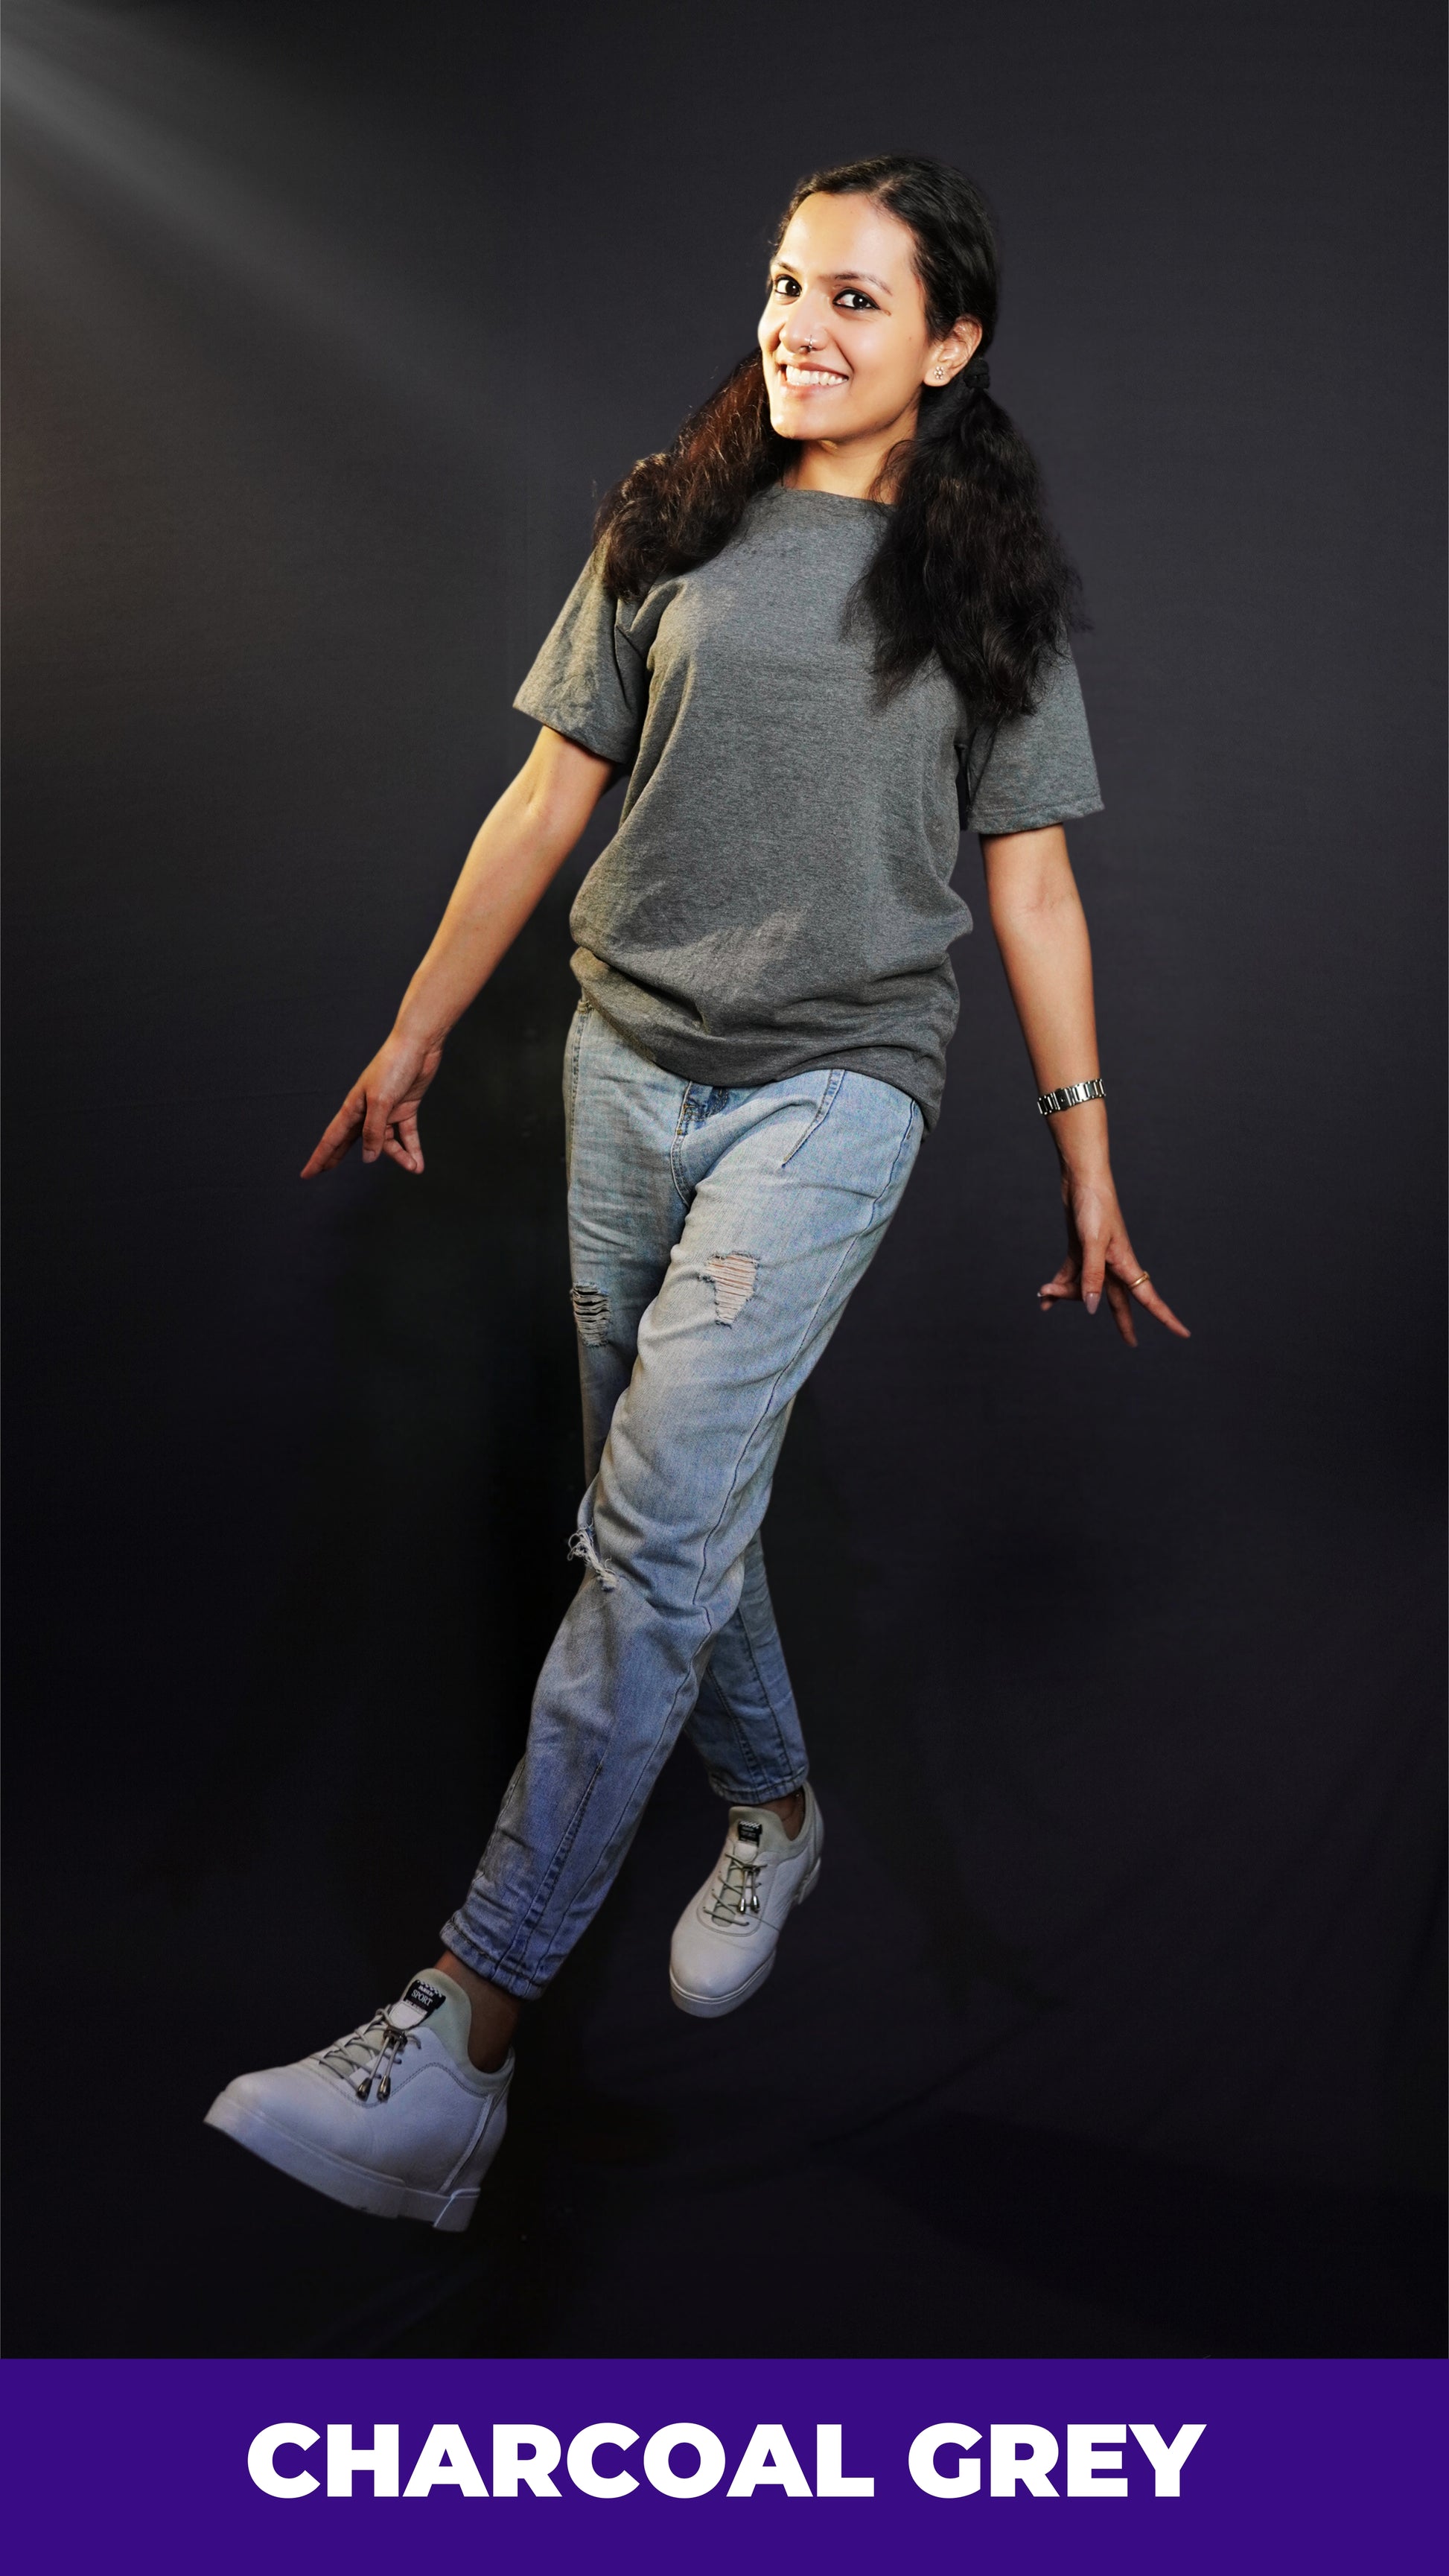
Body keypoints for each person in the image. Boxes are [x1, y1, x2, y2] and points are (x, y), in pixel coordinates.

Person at [206, 153, 1188, 2231]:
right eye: (778, 286)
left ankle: (457, 2039)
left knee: (647, 1525)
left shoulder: (978, 588)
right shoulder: (667, 527)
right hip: (625, 1062)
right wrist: (409, 1030)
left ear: (947, 343)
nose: (796, 326)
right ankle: (773, 1799)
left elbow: (1026, 881)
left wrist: (1083, 1152)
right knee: (659, 1501)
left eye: (849, 298)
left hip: (836, 1090)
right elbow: (546, 792)